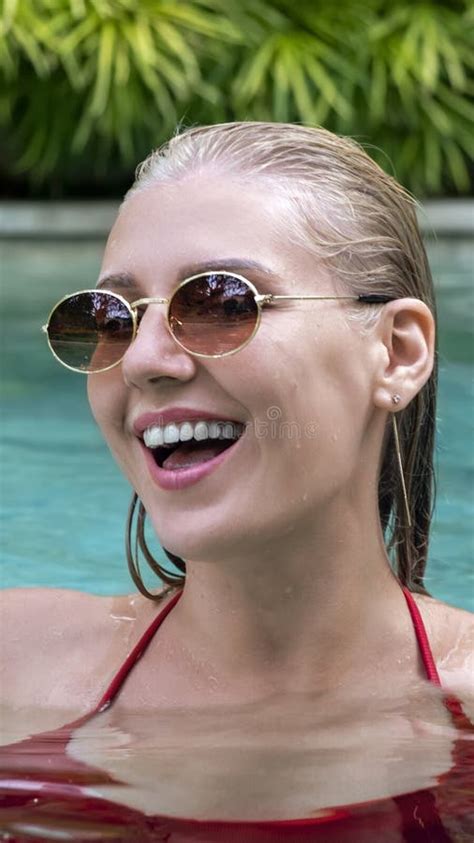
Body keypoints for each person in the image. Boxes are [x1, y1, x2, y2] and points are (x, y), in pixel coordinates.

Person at [1, 122, 473, 841]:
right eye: (112, 317)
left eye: (221, 302)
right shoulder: (14, 665)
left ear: (397, 353)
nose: (142, 361)